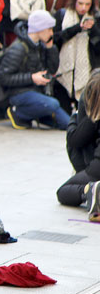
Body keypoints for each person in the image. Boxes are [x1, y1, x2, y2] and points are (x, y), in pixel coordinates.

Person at [0, 9, 68, 129]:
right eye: (49, 29)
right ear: (39, 29)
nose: (51, 33)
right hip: (18, 94)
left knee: (67, 123)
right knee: (53, 104)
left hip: (37, 93)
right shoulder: (19, 48)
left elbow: (52, 69)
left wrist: (51, 48)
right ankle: (18, 113)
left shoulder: (40, 45)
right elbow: (3, 77)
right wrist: (31, 78)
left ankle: (31, 115)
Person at [58, 71, 100, 216]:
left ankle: (90, 191)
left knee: (63, 192)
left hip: (96, 168)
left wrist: (74, 116)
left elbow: (75, 140)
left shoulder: (94, 113)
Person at [54, 0, 100, 113]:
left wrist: (93, 30)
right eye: (80, 3)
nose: (83, 8)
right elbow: (54, 39)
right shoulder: (62, 15)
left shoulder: (96, 18)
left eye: (87, 4)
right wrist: (77, 28)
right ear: (74, 1)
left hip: (86, 71)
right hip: (63, 71)